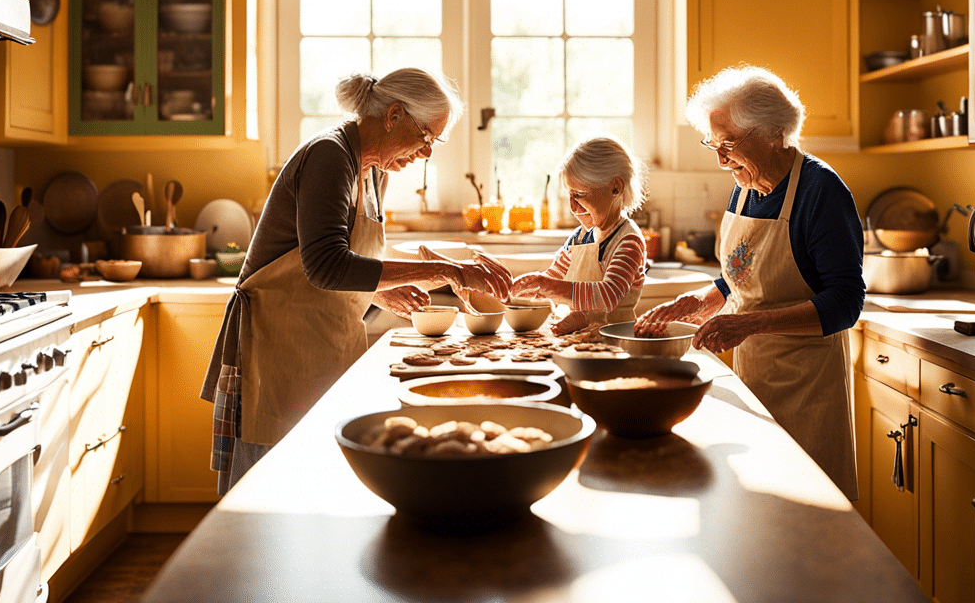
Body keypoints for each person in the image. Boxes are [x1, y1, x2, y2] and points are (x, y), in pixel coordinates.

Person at [201, 68, 513, 492]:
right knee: (266, 505)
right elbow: (326, 265)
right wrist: (447, 271)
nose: (426, 154)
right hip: (278, 354)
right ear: (394, 115)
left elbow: (358, 256)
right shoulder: (329, 155)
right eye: (426, 137)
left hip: (321, 344)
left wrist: (384, 291)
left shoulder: (372, 169)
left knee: (318, 499)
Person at [635, 66, 864, 500]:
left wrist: (748, 325)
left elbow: (846, 302)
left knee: (810, 513)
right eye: (714, 144)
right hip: (754, 374)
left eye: (729, 144)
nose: (721, 160)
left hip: (808, 386)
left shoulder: (820, 191)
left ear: (775, 134)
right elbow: (741, 274)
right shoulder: (745, 184)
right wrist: (697, 301)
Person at [510, 136, 647, 336]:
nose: (573, 207)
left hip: (614, 343)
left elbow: (608, 296)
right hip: (579, 340)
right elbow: (555, 277)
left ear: (615, 187)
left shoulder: (628, 242)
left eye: (579, 194)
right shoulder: (579, 237)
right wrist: (518, 289)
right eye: (570, 195)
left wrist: (546, 286)